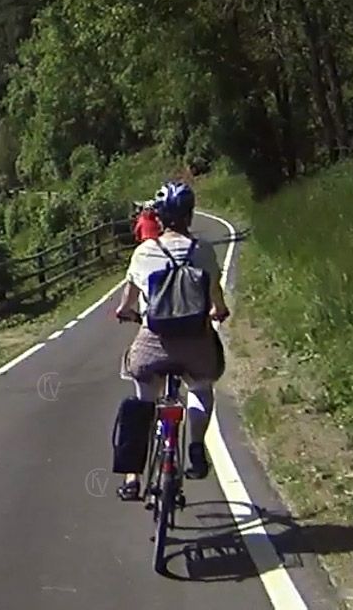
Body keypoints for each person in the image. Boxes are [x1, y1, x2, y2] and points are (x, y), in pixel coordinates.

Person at [113, 180, 228, 499]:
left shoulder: (144, 252)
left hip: (153, 343)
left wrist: (125, 312)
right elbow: (215, 295)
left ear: (160, 217)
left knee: (142, 401)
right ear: (190, 216)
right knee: (201, 387)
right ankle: (194, 447)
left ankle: (132, 479)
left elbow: (127, 302)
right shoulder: (203, 251)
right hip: (196, 344)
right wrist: (219, 311)